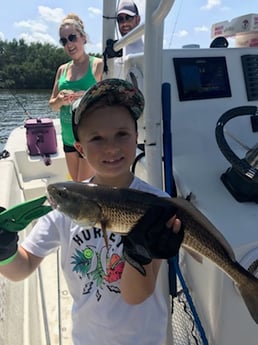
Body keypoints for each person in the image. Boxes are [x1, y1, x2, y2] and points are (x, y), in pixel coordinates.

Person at [0, 79, 184, 345]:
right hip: (87, 338)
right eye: (96, 138)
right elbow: (23, 266)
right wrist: (5, 252)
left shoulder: (158, 206)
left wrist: (140, 253)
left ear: (137, 137)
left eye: (122, 134)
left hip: (145, 339)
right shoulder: (65, 204)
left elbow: (136, 296)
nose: (111, 147)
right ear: (80, 149)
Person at [49, 13, 103, 182]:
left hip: (88, 137)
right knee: (76, 184)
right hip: (68, 138)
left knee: (82, 188)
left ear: (83, 38)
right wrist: (60, 100)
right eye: (64, 41)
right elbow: (52, 105)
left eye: (72, 37)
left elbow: (107, 103)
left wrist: (85, 97)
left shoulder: (98, 65)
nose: (69, 44)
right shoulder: (61, 70)